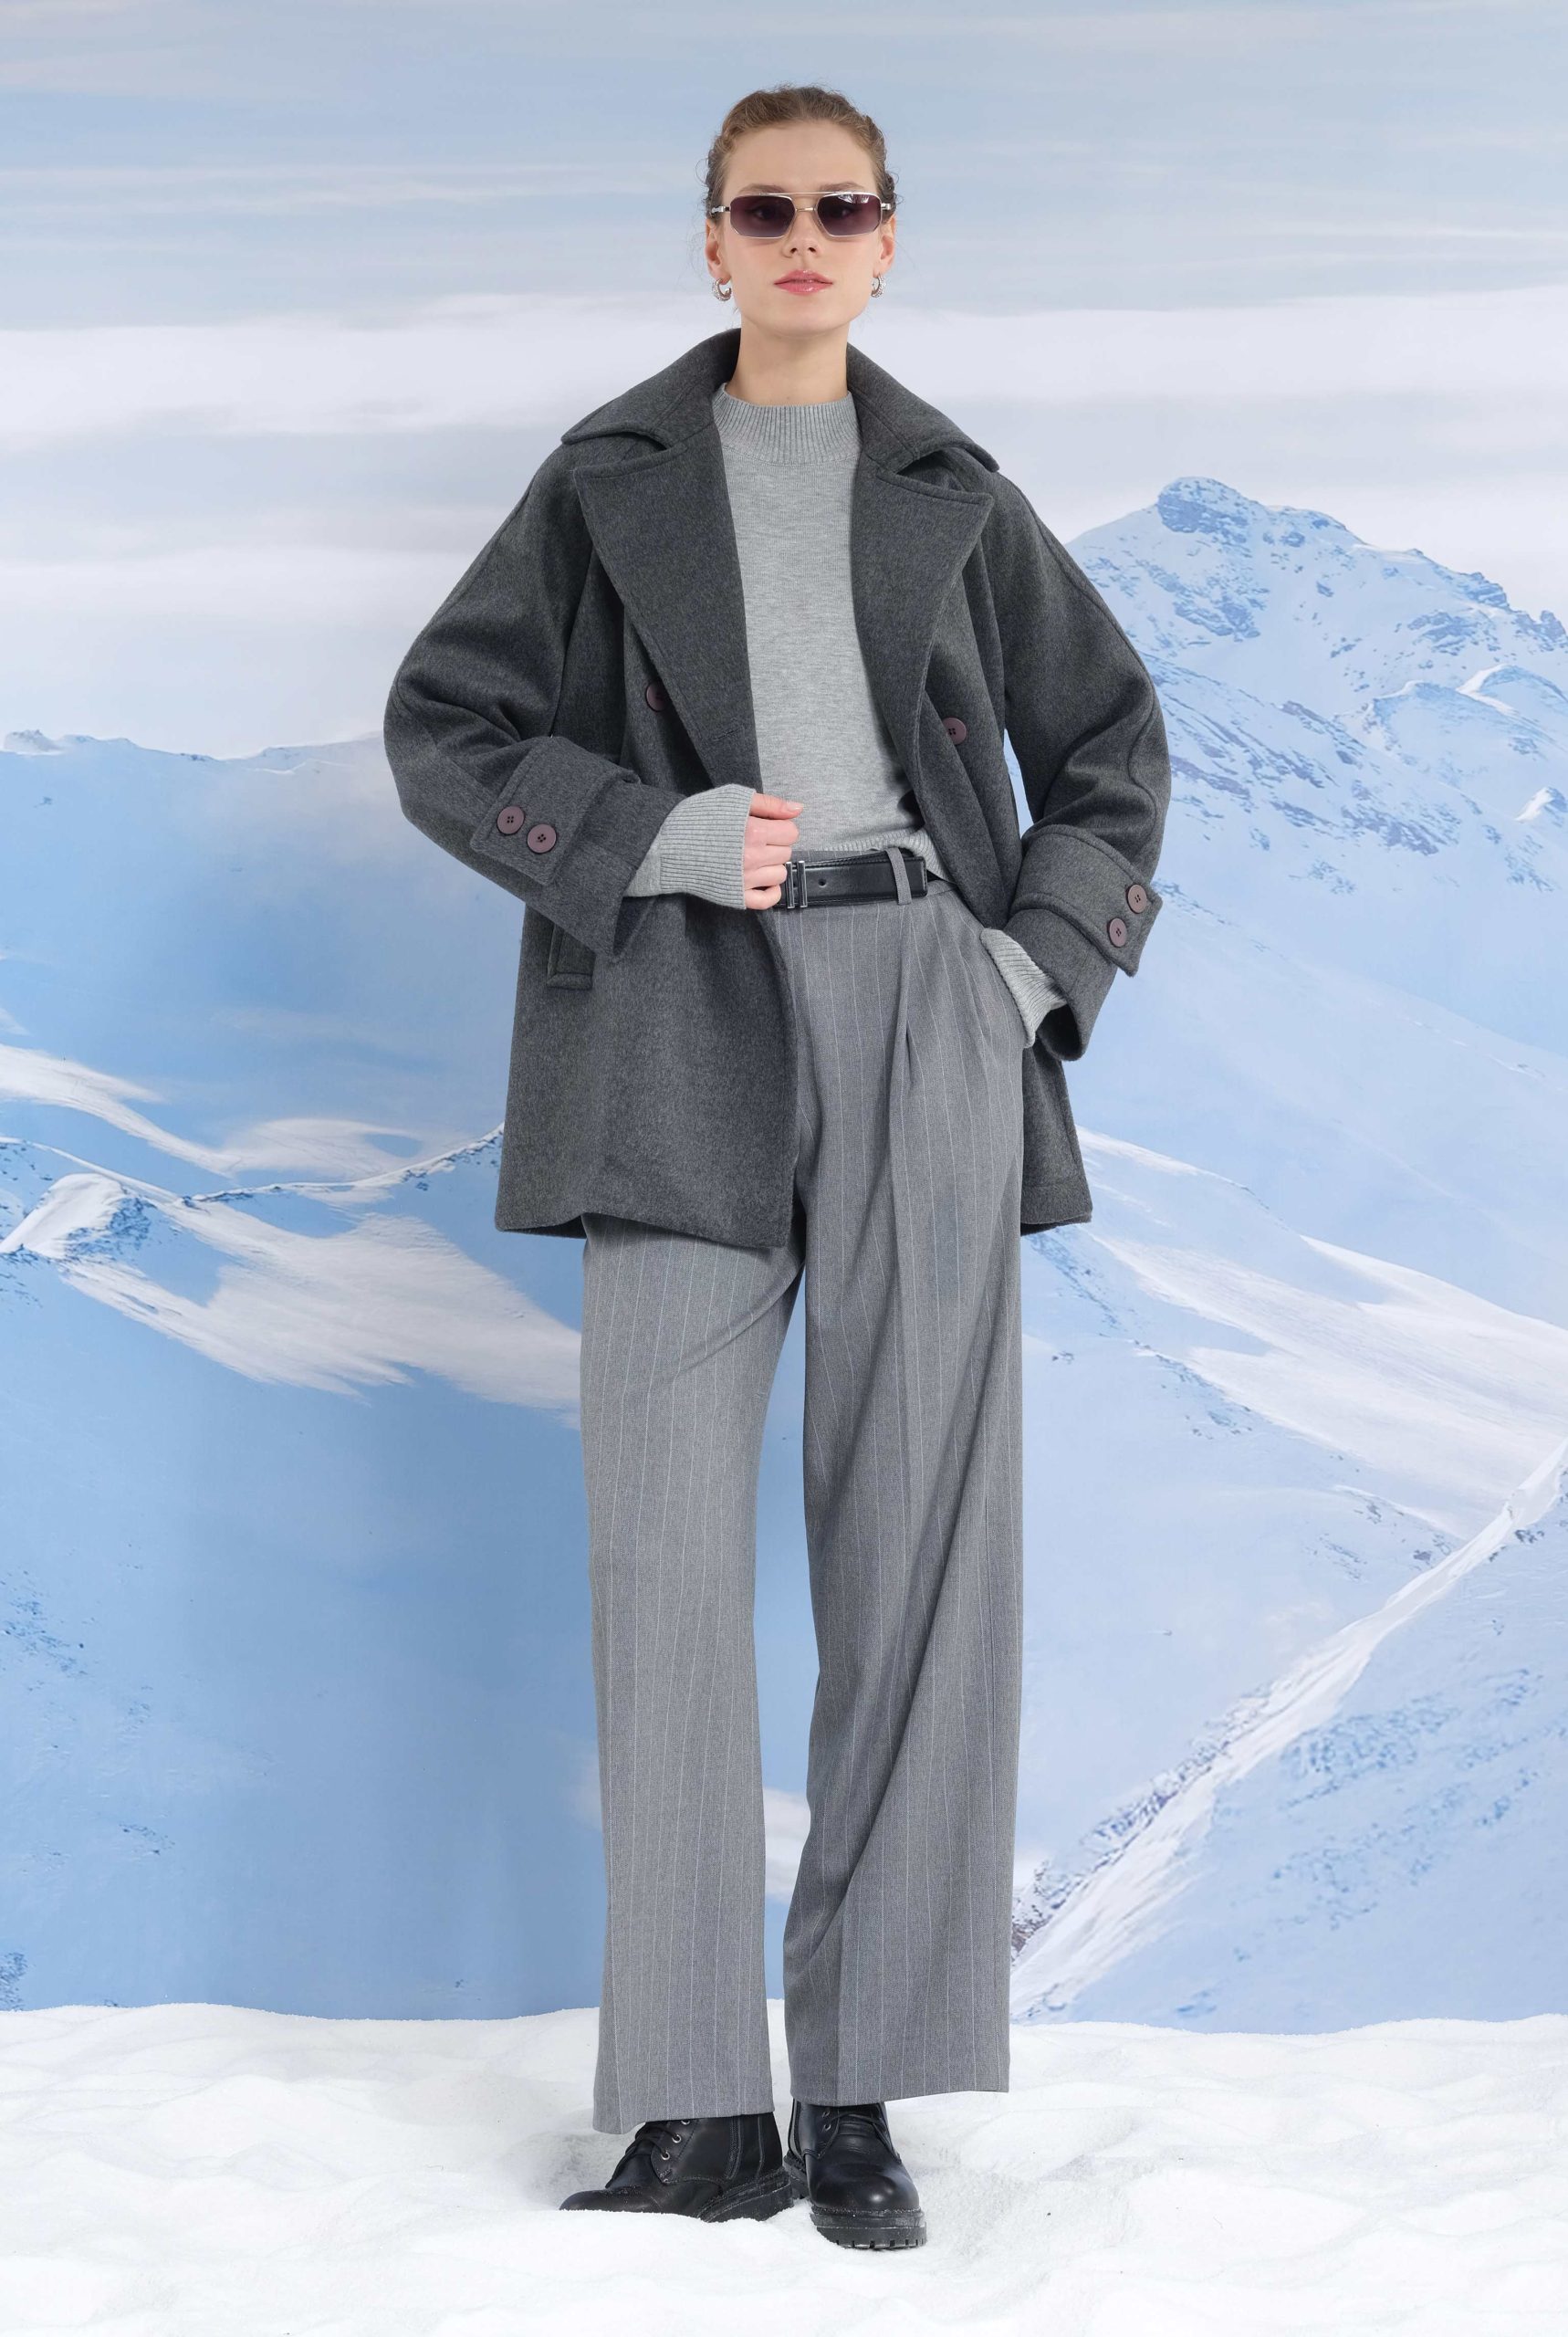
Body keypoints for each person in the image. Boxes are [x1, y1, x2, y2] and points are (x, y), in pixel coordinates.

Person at [384, 82, 1170, 2251]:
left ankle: (855, 2095)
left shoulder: (954, 490)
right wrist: (644, 834)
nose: (803, 236)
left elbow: (1111, 742)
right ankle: (691, 2111)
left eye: (840, 206)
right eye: (764, 209)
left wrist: (1026, 969)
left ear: (888, 238)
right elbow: (442, 722)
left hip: (928, 1008)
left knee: (918, 1565)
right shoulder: (604, 479)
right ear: (711, 241)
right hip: (671, 1017)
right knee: (659, 1565)